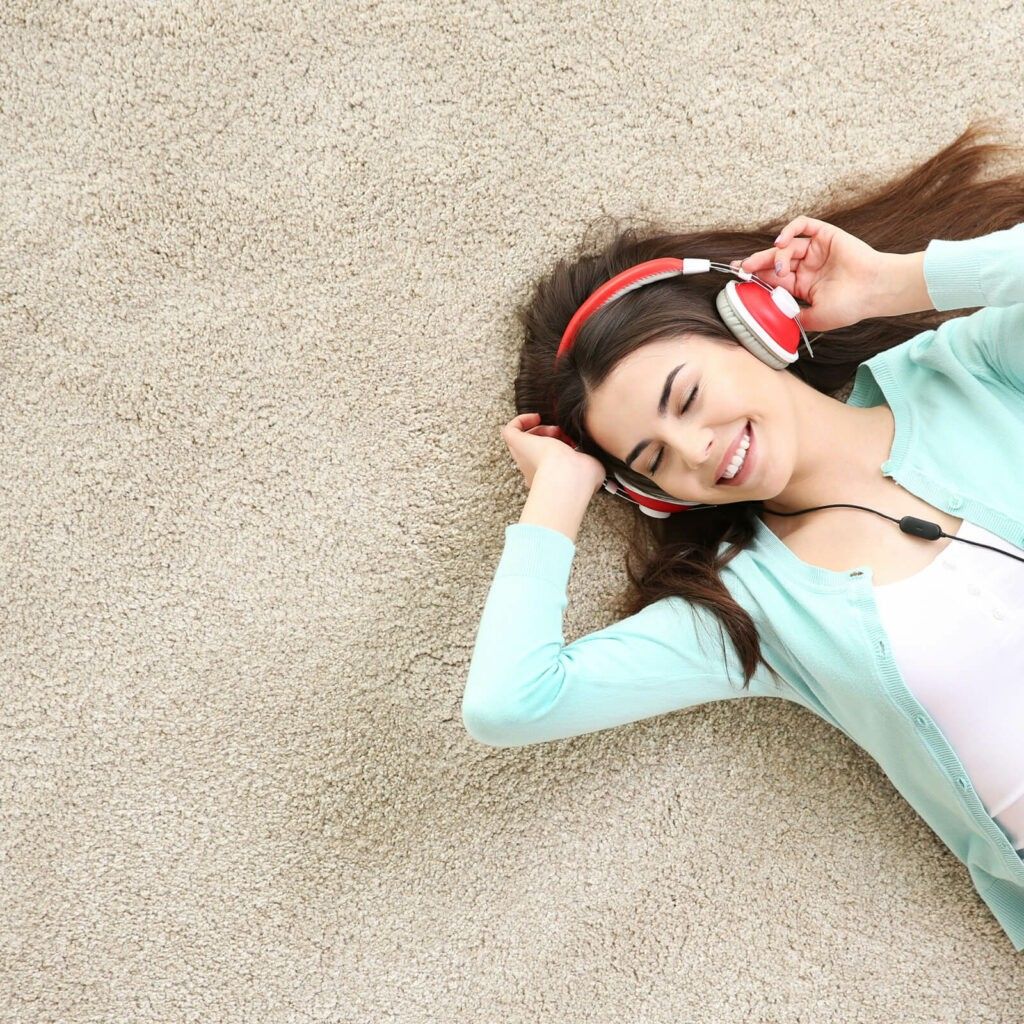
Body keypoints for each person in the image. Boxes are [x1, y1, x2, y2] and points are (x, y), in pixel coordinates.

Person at [461, 121, 1024, 952]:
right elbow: (511, 703)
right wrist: (555, 498)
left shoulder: (970, 370)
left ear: (753, 325)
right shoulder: (751, 608)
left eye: (686, 398)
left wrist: (897, 283)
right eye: (652, 458)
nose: (697, 451)